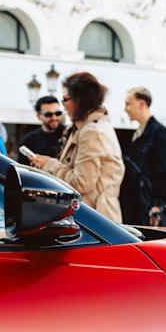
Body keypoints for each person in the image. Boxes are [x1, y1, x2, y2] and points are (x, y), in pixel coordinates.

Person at [27, 70, 124, 221]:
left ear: (79, 100)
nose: (63, 105)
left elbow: (82, 183)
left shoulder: (92, 132)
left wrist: (49, 164)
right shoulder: (84, 128)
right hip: (91, 219)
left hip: (95, 221)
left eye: (65, 99)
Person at [123, 86, 166, 224]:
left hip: (149, 211)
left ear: (141, 104)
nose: (125, 109)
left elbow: (165, 172)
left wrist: (158, 207)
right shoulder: (140, 133)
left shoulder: (159, 133)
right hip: (138, 206)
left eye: (128, 103)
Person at [21, 94, 66, 161]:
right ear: (38, 116)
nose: (54, 118)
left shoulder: (69, 134)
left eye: (57, 113)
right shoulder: (29, 140)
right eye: (49, 114)